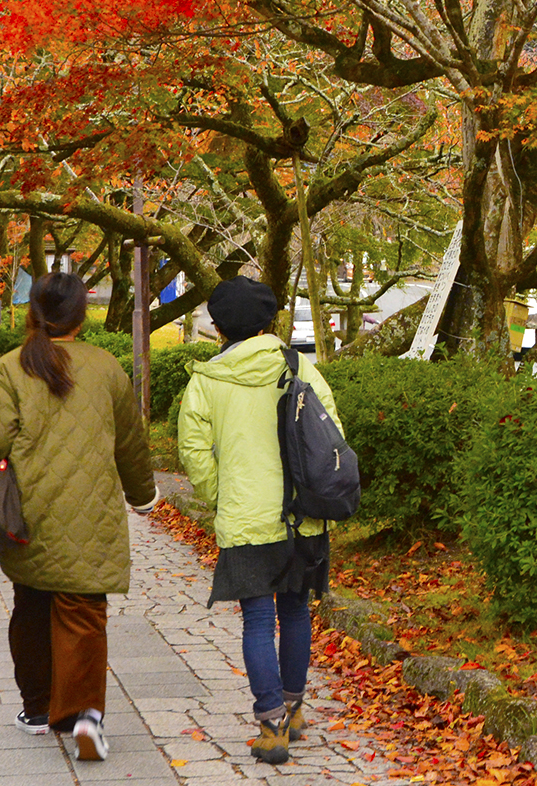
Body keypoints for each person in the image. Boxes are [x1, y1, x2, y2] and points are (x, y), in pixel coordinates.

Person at [0, 272, 156, 761]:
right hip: (91, 513)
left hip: (28, 511)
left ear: (34, 311)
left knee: (32, 605)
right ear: (82, 314)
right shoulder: (106, 368)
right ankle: (83, 716)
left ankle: (37, 710)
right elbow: (131, 443)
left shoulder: (11, 367)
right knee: (83, 611)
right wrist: (144, 495)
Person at [178, 276, 342, 766]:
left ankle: (270, 729)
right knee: (294, 612)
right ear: (270, 321)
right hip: (301, 518)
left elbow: (192, 452)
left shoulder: (207, 379)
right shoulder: (299, 368)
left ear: (220, 326)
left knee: (257, 619)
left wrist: (221, 496)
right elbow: (332, 434)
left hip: (245, 518)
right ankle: (294, 711)